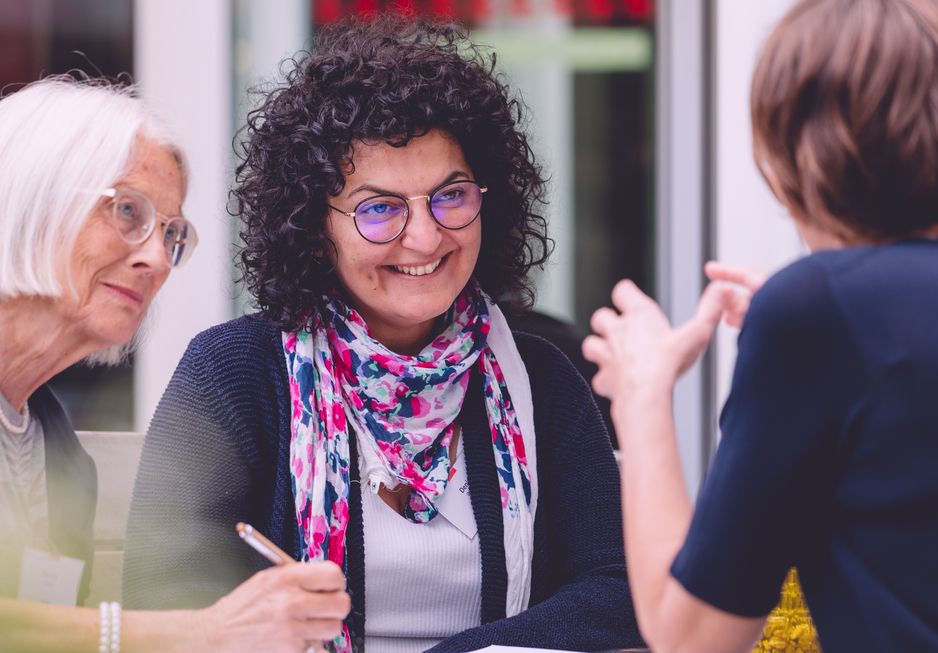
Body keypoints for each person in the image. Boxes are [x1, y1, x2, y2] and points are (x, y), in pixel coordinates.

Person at [121, 15, 642, 653]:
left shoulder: (540, 377)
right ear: (315, 226)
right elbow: (161, 596)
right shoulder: (235, 373)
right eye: (379, 209)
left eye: (450, 196)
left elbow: (615, 586)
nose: (424, 238)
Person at [583, 0, 938, 652]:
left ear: (790, 149)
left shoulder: (816, 309)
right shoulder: (853, 316)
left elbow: (692, 637)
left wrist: (642, 393)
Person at [0, 77, 349, 653]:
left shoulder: (57, 455)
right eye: (129, 211)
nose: (158, 259)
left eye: (171, 233)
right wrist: (205, 633)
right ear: (33, 195)